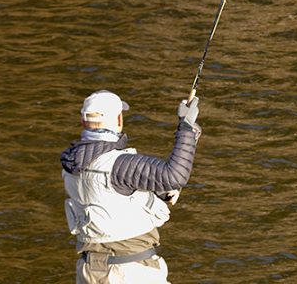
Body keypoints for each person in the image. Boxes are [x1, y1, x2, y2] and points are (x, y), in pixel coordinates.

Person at [61, 89, 201, 283]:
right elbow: (175, 175)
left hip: (89, 272)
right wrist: (186, 128)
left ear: (83, 121)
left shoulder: (70, 163)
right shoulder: (120, 164)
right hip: (129, 272)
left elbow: (106, 192)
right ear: (119, 120)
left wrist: (157, 192)